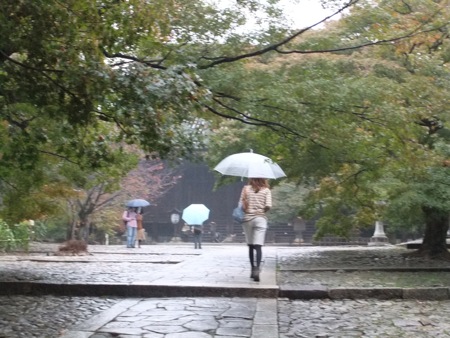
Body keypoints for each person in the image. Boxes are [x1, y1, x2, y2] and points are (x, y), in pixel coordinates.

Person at [239, 177, 272, 282]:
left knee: (250, 245)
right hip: (261, 219)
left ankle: (252, 269)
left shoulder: (246, 189)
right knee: (258, 246)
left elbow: (241, 205)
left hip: (248, 219)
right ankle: (257, 269)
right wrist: (262, 210)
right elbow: (268, 205)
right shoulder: (266, 190)